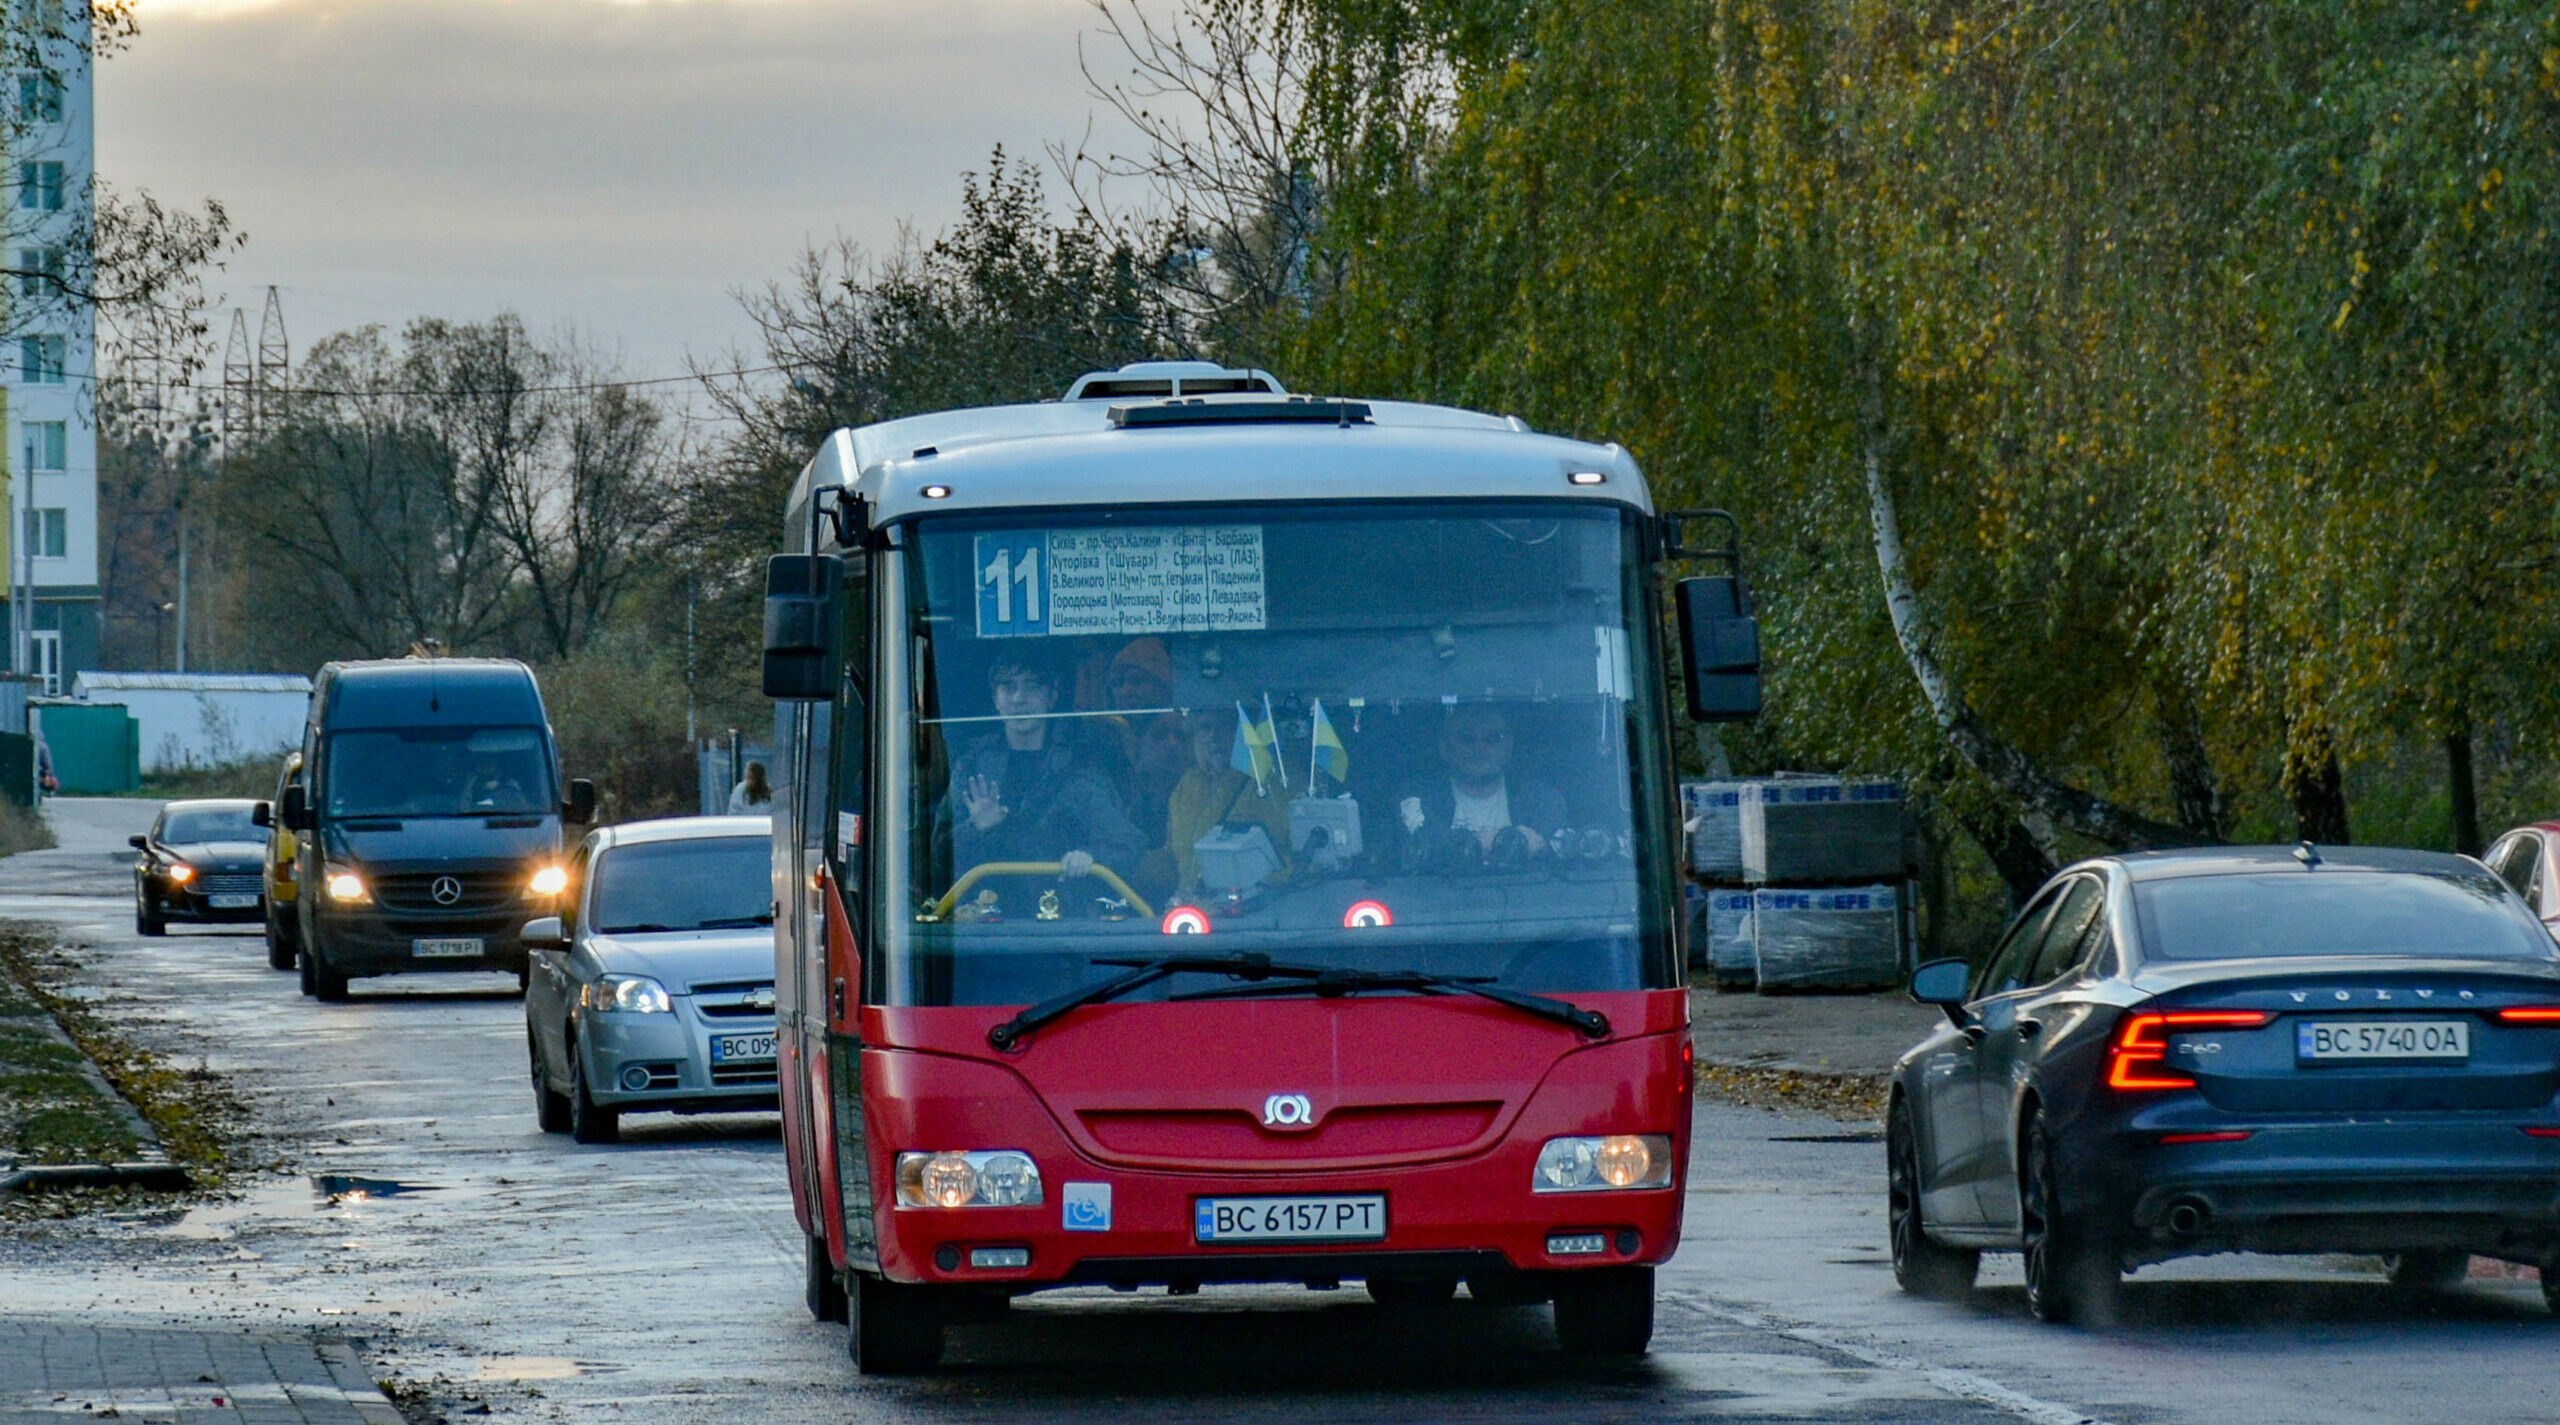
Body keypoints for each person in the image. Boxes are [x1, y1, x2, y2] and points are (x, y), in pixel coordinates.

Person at [947, 650, 1144, 883]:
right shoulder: (971, 767)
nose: (1019, 698)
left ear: (1051, 697)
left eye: (1032, 687)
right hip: (982, 911)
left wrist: (1090, 857)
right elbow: (936, 855)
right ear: (995, 699)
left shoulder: (1080, 766)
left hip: (1065, 912)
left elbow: (1127, 845)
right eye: (1008, 687)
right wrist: (976, 827)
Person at [1142, 710, 1292, 899]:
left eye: (1226, 728)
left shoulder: (1274, 782)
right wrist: (1123, 868)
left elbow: (1291, 859)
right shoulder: (1188, 783)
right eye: (1205, 728)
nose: (1213, 737)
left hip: (1250, 912)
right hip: (1191, 913)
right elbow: (1173, 857)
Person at [1399, 702, 1567, 857]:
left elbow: (1560, 844)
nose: (1479, 747)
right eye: (1467, 739)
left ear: (1509, 745)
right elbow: (1420, 842)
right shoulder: (1418, 797)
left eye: (1492, 738)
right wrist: (1483, 842)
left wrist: (1542, 846)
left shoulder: (1539, 796)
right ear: (1444, 747)